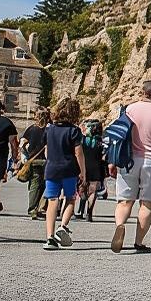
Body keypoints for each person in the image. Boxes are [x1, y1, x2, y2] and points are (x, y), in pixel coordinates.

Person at [111, 79, 151, 253]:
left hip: (128, 160)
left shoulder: (129, 109)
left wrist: (112, 161)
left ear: (142, 92)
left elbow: (118, 135)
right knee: (147, 203)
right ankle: (139, 242)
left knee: (125, 201)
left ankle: (120, 225)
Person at [41, 97, 86, 250]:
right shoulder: (74, 131)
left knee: (52, 201)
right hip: (69, 169)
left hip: (52, 169)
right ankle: (63, 225)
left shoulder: (49, 129)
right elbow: (78, 153)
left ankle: (50, 237)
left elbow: (46, 150)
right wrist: (82, 173)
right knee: (71, 199)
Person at [20, 109, 50, 219]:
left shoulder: (31, 129)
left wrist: (25, 156)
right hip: (48, 160)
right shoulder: (50, 129)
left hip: (34, 160)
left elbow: (22, 143)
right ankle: (42, 207)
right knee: (48, 184)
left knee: (34, 185)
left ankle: (32, 208)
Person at [75, 119, 105, 222]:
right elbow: (104, 156)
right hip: (96, 166)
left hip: (84, 166)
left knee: (82, 187)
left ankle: (80, 210)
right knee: (93, 191)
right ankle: (89, 213)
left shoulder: (82, 140)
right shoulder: (101, 141)